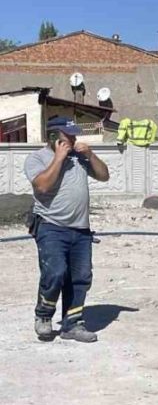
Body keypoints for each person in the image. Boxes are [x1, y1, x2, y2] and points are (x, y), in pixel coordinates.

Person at [25, 117, 110, 343]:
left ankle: (72, 324)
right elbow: (42, 186)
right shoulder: (37, 158)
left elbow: (104, 176)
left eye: (74, 135)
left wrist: (90, 155)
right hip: (50, 226)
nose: (73, 139)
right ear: (53, 137)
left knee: (81, 278)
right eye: (68, 136)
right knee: (55, 272)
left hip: (81, 230)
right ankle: (44, 316)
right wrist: (59, 158)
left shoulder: (79, 158)